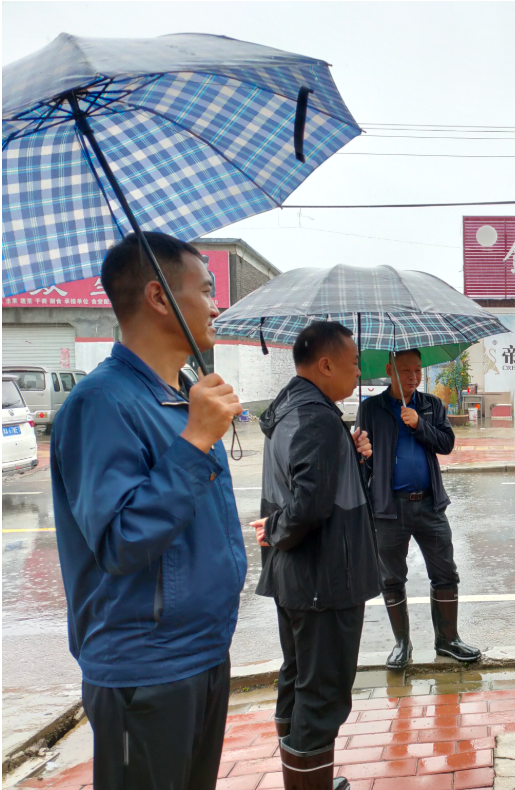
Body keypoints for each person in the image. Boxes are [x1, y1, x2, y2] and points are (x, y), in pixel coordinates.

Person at [50, 232, 247, 790]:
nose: (216, 305)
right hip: (146, 666)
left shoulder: (181, 394)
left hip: (202, 650)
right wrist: (193, 444)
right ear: (160, 299)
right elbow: (120, 543)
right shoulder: (101, 403)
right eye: (206, 291)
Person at [251, 321, 379, 790]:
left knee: (299, 682)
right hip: (326, 578)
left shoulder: (291, 409)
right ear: (324, 365)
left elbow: (313, 489)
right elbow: (310, 506)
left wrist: (354, 459)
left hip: (298, 578)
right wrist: (279, 530)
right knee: (322, 695)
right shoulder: (318, 419)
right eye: (352, 363)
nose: (356, 371)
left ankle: (304, 781)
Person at [358, 348, 480, 669]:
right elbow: (362, 463)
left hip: (429, 505)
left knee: (445, 572)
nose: (413, 377)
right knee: (391, 578)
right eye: (406, 371)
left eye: (417, 370)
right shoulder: (370, 408)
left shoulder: (431, 405)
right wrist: (357, 453)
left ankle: (448, 640)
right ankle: (402, 644)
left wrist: (418, 425)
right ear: (390, 370)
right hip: (388, 509)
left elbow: (447, 444)